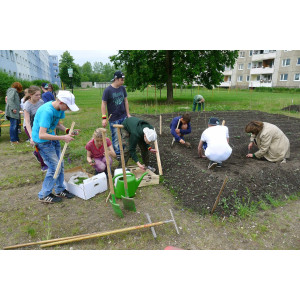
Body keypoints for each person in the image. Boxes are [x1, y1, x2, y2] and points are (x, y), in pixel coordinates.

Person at [32, 90, 80, 203]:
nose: (68, 109)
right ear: (61, 102)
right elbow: (42, 134)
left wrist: (68, 131)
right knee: (54, 167)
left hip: (52, 138)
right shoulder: (47, 111)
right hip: (42, 142)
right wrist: (63, 137)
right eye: (67, 106)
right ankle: (44, 195)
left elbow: (57, 124)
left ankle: (59, 189)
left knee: (60, 164)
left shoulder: (59, 109)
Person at [101, 71, 131, 161]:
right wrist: (104, 118)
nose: (123, 81)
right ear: (116, 79)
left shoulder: (122, 88)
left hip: (123, 117)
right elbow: (103, 104)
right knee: (116, 138)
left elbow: (126, 101)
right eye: (122, 79)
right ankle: (118, 156)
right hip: (114, 119)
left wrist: (128, 114)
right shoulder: (108, 90)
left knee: (125, 135)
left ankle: (125, 153)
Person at [23, 86, 48, 171]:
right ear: (30, 95)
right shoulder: (27, 105)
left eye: (39, 95)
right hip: (29, 127)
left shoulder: (41, 102)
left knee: (44, 143)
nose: (39, 97)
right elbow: (27, 122)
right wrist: (31, 137)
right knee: (38, 144)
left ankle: (36, 154)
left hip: (38, 126)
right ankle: (43, 165)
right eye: (36, 95)